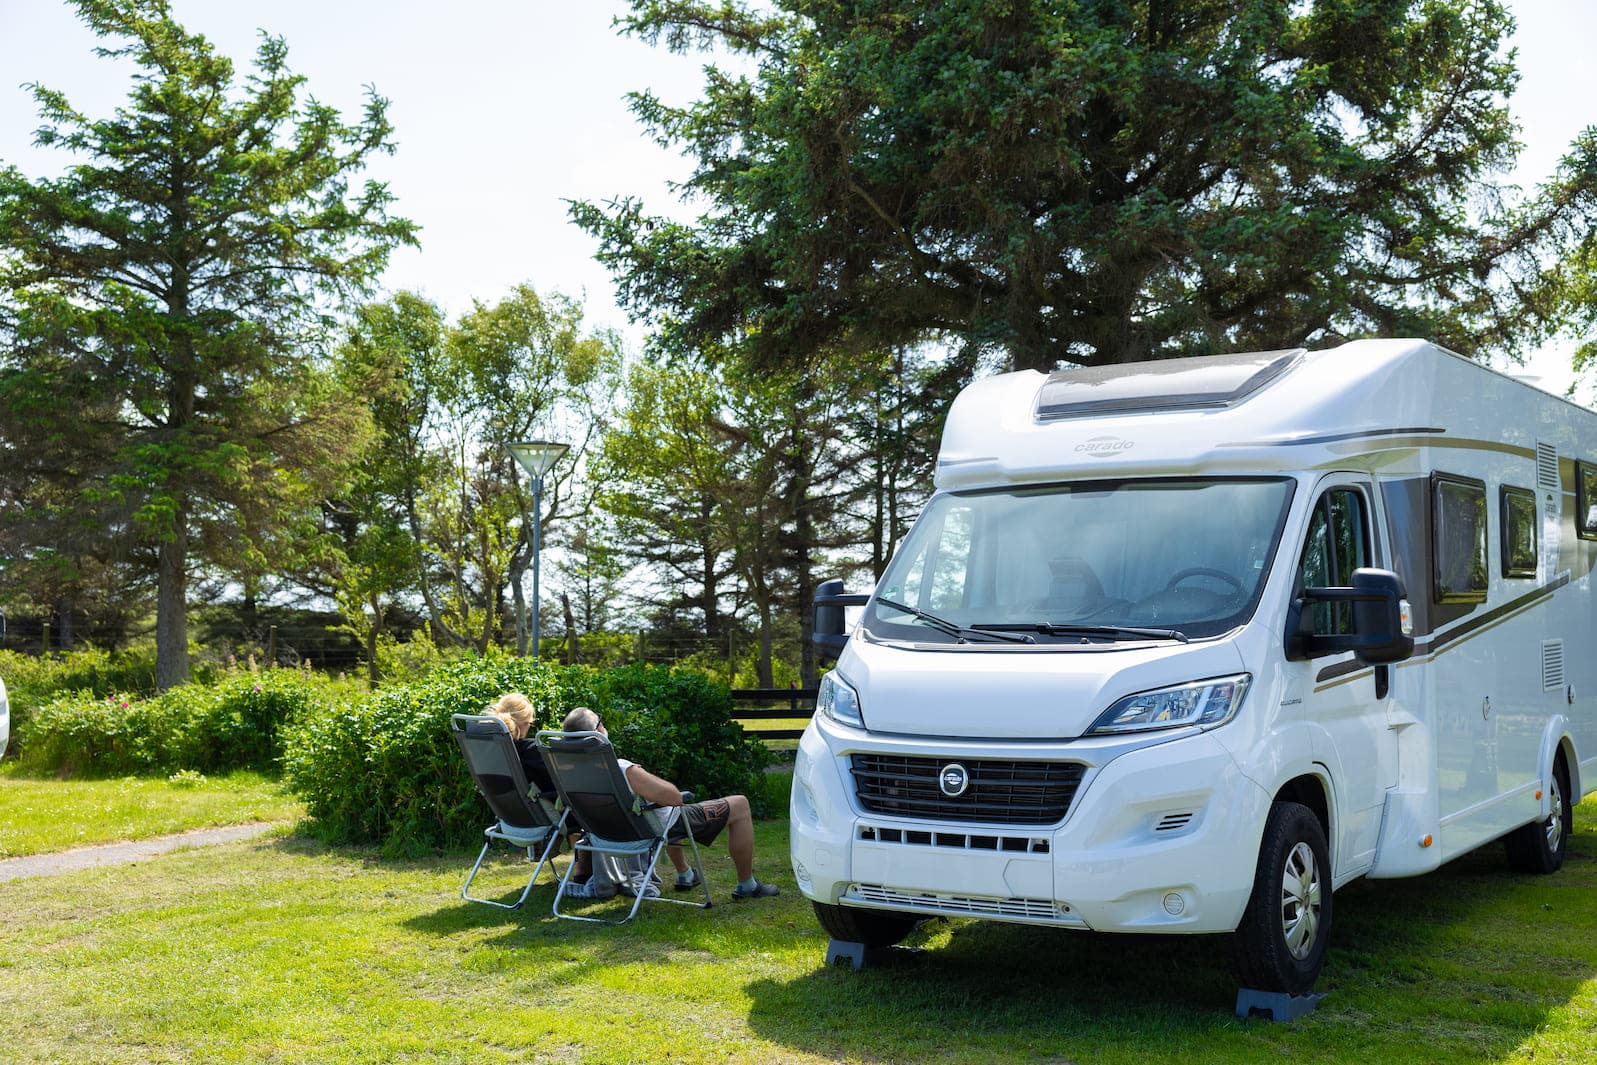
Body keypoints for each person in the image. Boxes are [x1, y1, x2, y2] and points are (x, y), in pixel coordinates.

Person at [562, 706, 779, 900]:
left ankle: (685, 874)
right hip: (650, 829)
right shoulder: (620, 769)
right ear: (598, 733)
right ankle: (747, 885)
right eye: (600, 721)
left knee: (659, 809)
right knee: (739, 804)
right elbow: (673, 797)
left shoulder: (570, 774)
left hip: (611, 834)